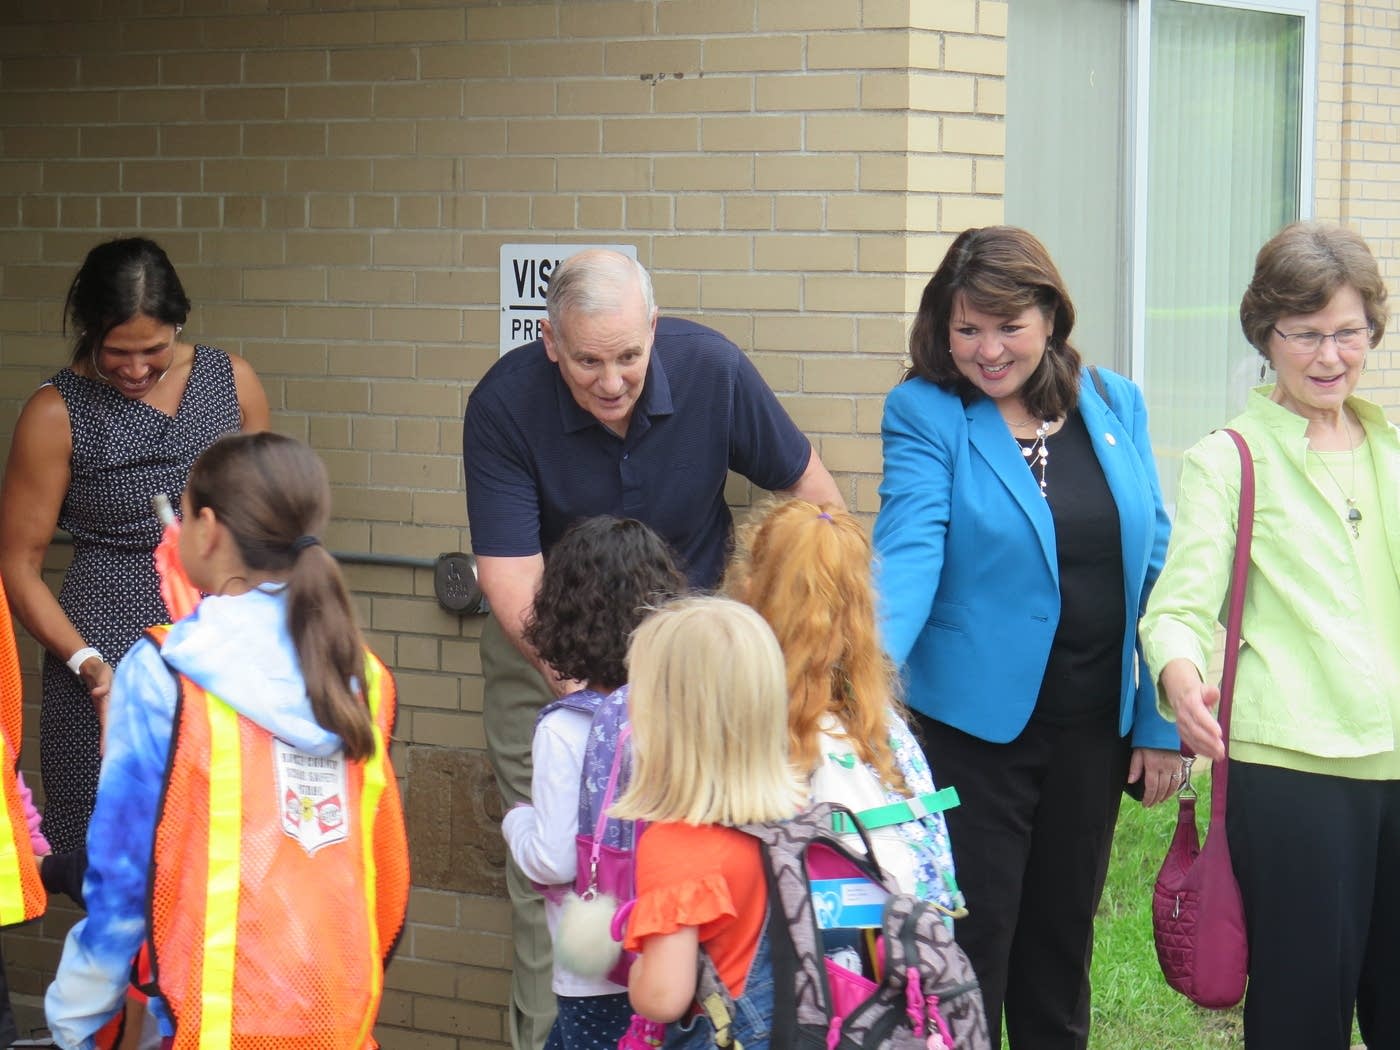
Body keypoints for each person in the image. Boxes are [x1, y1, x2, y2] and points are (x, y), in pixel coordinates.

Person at [462, 248, 841, 1050]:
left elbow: (817, 503)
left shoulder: (711, 368)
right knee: (564, 878)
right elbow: (510, 573)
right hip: (552, 649)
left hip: (695, 666)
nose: (611, 381)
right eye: (589, 361)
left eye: (629, 357)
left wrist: (778, 640)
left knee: (706, 865)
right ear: (549, 341)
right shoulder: (502, 402)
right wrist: (595, 706)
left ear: (655, 332)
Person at [871, 226, 1178, 1049]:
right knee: (974, 949)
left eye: (1008, 326)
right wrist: (857, 689)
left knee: (1060, 949)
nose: (987, 349)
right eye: (966, 328)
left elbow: (1154, 563)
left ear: (1050, 315)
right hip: (972, 734)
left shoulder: (1114, 402)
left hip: (1092, 730)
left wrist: (1158, 720)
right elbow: (908, 551)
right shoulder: (927, 413)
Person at [44, 432, 408, 1048]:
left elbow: (125, 874)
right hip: (338, 1019)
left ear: (207, 529)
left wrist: (74, 1017)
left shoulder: (164, 672)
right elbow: (385, 870)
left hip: (210, 1024)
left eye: (183, 516)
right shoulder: (362, 673)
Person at [1141, 221, 1396, 1049]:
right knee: (1301, 1014)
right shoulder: (1231, 458)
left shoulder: (1392, 450)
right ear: (1266, 335)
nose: (1330, 356)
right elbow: (1178, 607)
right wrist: (1182, 680)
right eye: (1307, 334)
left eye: (1349, 333)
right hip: (1293, 770)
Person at [0, 235, 269, 862]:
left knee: (219, 855)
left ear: (180, 324)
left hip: (216, 647)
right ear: (90, 332)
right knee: (116, 864)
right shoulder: (54, 412)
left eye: (155, 349)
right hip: (102, 656)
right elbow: (17, 563)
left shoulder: (232, 382)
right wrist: (89, 666)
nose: (138, 367)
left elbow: (267, 524)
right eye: (117, 352)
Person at [722, 497, 962, 912]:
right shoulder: (888, 735)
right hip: (900, 963)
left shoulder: (730, 723)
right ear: (863, 614)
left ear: (751, 588)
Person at [502, 516, 686, 1050]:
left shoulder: (565, 728)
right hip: (675, 954)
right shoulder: (680, 715)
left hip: (594, 964)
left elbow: (554, 858)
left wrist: (516, 822)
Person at [613, 596, 800, 1050]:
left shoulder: (675, 848)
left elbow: (662, 998)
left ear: (665, 721)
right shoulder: (793, 822)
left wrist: (636, 970)